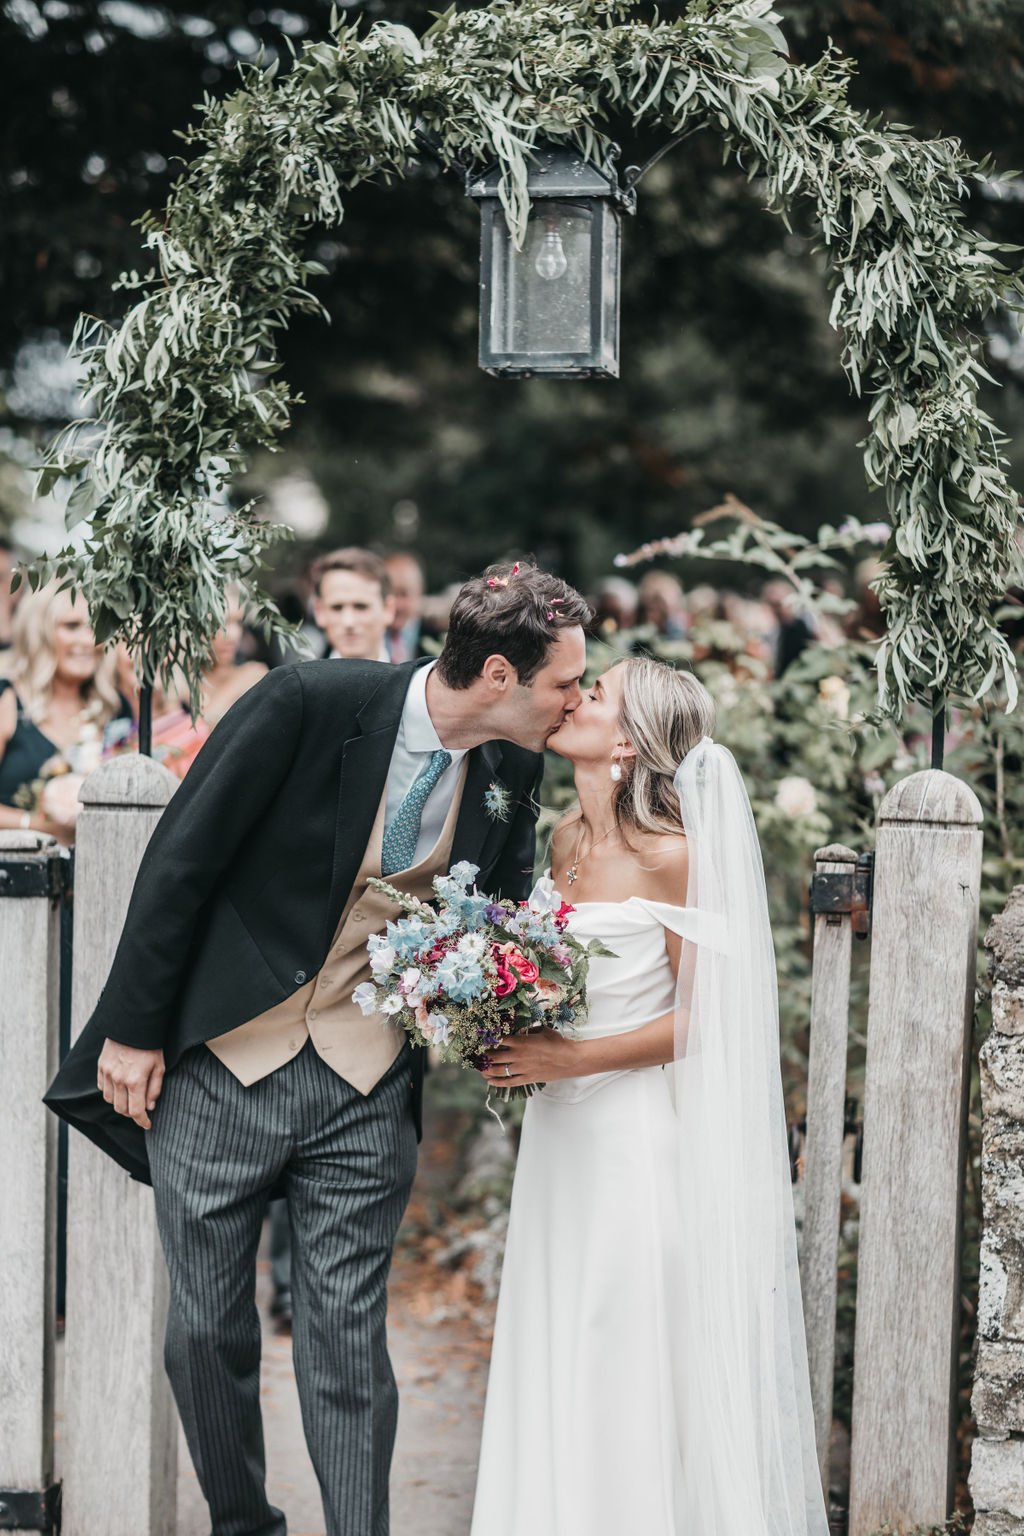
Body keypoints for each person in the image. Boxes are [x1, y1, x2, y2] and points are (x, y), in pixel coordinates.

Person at [45, 562, 592, 1536]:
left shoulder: (513, 764)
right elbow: (184, 856)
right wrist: (132, 1029)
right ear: (500, 672)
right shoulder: (306, 698)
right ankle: (244, 1524)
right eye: (565, 683)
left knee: (344, 1338)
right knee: (204, 1334)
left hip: (365, 1078)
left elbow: (497, 913)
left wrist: (509, 1007)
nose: (576, 701)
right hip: (222, 1063)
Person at [472, 655, 828, 1536]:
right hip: (557, 1146)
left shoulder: (675, 859)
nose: (574, 697)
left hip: (630, 1141)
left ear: (627, 743)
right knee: (557, 1342)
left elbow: (706, 1024)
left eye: (596, 692)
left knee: (616, 1351)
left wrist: (571, 1060)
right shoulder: (562, 842)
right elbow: (546, 980)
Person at [0, 582, 127, 843]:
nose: (88, 639)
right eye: (71, 626)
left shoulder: (115, 708)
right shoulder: (8, 699)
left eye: (95, 626)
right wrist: (37, 826)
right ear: (40, 632)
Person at [312, 546, 395, 661]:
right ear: (319, 611)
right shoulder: (298, 679)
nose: (349, 622)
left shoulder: (417, 678)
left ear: (388, 609)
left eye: (361, 607)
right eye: (337, 608)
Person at [383, 551, 431, 662]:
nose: (396, 604)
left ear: (420, 593)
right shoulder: (363, 636)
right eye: (389, 593)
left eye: (404, 594)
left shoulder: (441, 639)